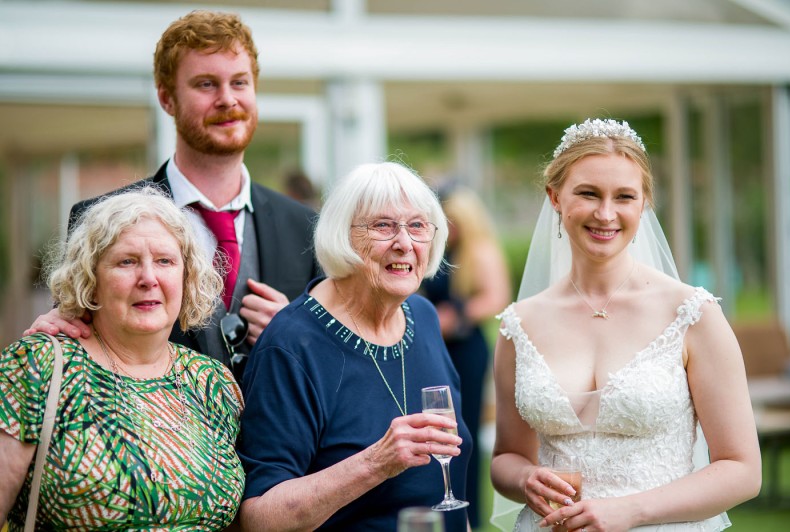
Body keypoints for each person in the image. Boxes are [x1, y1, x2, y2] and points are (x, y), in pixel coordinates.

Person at [490, 118, 761, 531]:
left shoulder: (692, 315)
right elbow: (505, 457)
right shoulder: (520, 324)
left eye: (624, 196)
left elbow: (742, 470)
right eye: (588, 193)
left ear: (644, 203)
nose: (605, 213)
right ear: (555, 197)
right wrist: (526, 477)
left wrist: (630, 511)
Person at [25, 10, 318, 375]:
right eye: (206, 84)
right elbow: (77, 347)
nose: (227, 99)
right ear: (166, 98)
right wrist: (54, 337)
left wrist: (300, 335)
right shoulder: (97, 219)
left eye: (240, 82)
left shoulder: (306, 227)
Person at [237, 162, 472, 531]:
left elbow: (449, 486)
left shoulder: (423, 316)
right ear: (342, 236)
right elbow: (260, 518)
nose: (404, 244)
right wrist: (376, 462)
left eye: (417, 226)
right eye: (383, 226)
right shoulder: (292, 344)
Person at [0, 188, 244, 530]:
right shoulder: (38, 366)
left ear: (186, 277)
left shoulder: (212, 382)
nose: (148, 278)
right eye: (127, 261)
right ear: (90, 278)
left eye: (165, 261)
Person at [421, 182, 511, 528]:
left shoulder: (481, 251)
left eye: (453, 220)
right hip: (436, 345)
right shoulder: (441, 251)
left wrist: (455, 317)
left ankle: (467, 510)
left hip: (467, 347)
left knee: (465, 427)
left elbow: (496, 298)